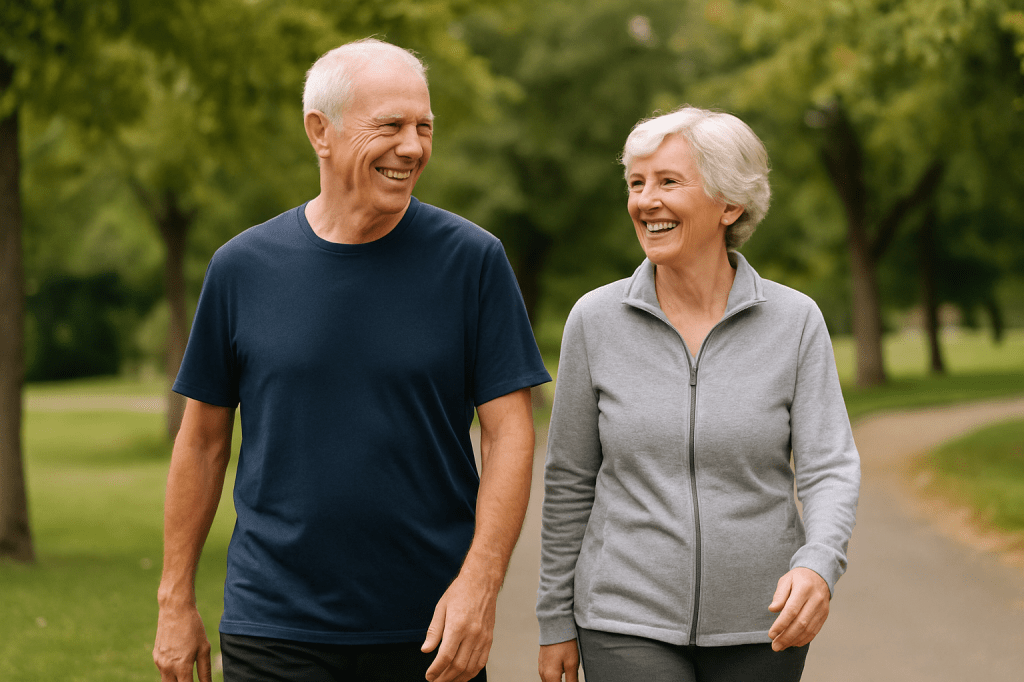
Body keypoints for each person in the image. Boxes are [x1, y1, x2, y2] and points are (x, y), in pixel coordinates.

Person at [153, 38, 550, 682]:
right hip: (273, 626)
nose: (413, 147)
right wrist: (174, 599)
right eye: (390, 126)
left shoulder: (473, 261)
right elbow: (201, 443)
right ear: (321, 132)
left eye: (424, 127)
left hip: (432, 631)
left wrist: (481, 584)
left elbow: (509, 434)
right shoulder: (241, 269)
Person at [536, 106, 860, 682]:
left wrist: (817, 565)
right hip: (622, 618)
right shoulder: (594, 320)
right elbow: (569, 479)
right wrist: (555, 618)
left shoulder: (795, 321)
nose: (645, 201)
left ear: (729, 205)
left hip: (765, 621)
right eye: (636, 183)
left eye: (668, 182)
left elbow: (828, 467)